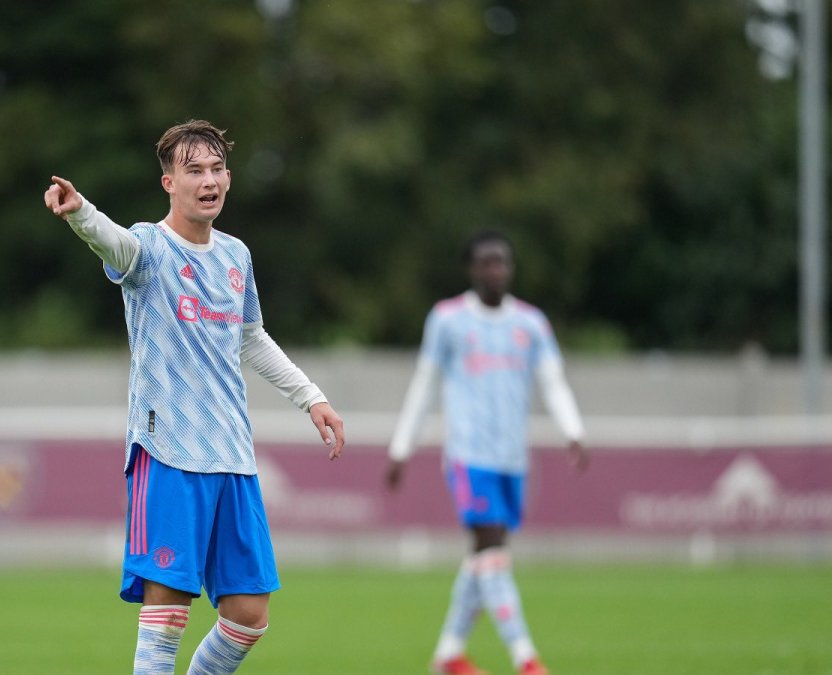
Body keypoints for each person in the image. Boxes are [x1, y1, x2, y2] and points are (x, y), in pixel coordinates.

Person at [44, 119, 346, 675]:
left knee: (249, 614)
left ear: (228, 179)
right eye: (193, 171)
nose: (207, 181)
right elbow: (112, 241)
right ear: (169, 184)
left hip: (232, 454)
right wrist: (80, 211)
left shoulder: (236, 256)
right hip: (168, 453)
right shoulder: (150, 250)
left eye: (214, 170)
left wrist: (311, 397)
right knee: (168, 610)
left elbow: (251, 336)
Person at [385, 230, 588, 675]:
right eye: (486, 262)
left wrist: (573, 429)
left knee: (484, 558)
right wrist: (402, 447)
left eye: (502, 262)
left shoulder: (531, 324)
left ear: (511, 268)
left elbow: (552, 380)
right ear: (471, 269)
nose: (495, 270)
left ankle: (448, 654)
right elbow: (425, 384)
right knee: (491, 548)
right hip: (468, 456)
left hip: (512, 458)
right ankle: (526, 659)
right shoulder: (448, 319)